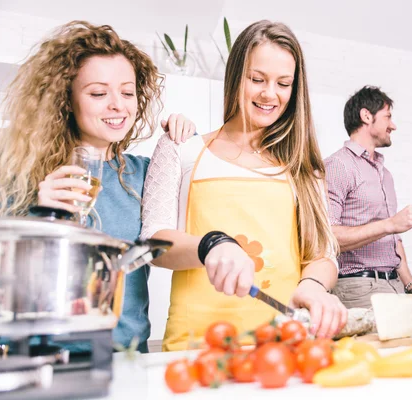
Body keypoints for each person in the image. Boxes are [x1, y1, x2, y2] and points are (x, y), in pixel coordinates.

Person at [0, 20, 195, 353]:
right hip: (39, 361)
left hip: (126, 359)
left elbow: (192, 215)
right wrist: (38, 216)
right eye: (98, 93)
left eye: (127, 92)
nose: (118, 104)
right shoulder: (12, 171)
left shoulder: (146, 175)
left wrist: (183, 144)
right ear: (66, 100)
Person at [140, 20, 347, 351]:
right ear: (236, 76)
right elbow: (152, 243)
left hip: (282, 346)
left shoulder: (303, 167)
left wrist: (313, 286)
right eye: (257, 79)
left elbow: (322, 254)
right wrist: (211, 245)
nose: (270, 94)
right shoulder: (183, 148)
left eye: (283, 83)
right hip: (197, 347)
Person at [324, 85, 412, 327]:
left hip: (394, 285)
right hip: (357, 287)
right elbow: (327, 236)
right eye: (388, 117)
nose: (393, 126)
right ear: (366, 116)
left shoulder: (386, 175)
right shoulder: (337, 166)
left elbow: (394, 240)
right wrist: (391, 224)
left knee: (406, 358)